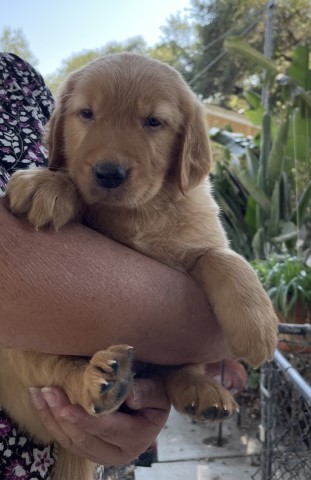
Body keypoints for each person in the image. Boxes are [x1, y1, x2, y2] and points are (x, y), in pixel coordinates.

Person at [0, 52, 233, 479]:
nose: (109, 159)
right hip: (28, 409)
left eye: (153, 122)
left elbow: (217, 329)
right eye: (87, 114)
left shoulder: (16, 79)